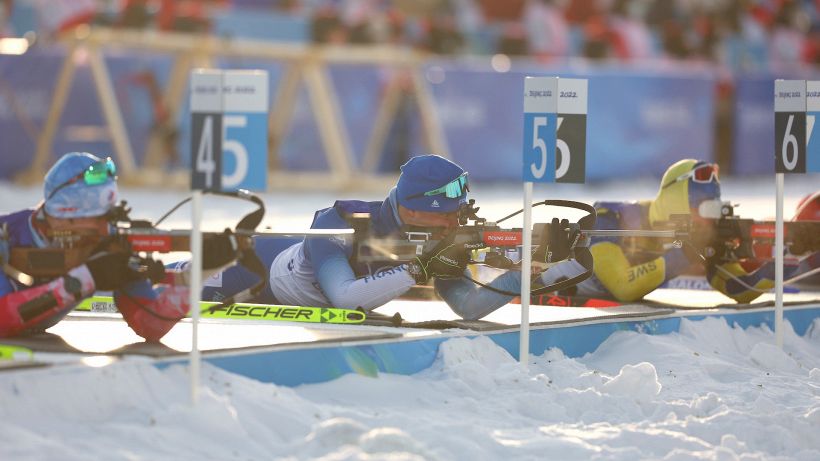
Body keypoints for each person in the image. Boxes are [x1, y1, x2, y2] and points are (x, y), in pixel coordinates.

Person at [199, 154, 581, 320]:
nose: (454, 226)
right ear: (415, 210)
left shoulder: (439, 234)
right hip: (245, 274)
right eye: (447, 216)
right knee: (176, 276)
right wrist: (421, 268)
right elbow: (344, 298)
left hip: (277, 263)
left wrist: (535, 272)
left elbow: (467, 306)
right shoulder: (338, 222)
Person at [541, 158, 820, 303]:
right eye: (700, 207)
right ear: (677, 202)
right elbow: (624, 287)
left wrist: (780, 268)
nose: (706, 219)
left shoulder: (700, 234)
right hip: (539, 286)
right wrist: (683, 254)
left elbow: (739, 289)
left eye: (713, 208)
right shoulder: (611, 220)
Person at [0, 152, 190, 341]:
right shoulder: (7, 236)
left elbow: (150, 324)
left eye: (109, 216)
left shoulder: (106, 242)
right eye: (98, 217)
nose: (106, 228)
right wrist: (85, 279)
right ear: (64, 217)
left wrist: (190, 279)